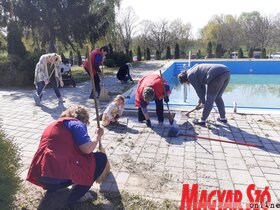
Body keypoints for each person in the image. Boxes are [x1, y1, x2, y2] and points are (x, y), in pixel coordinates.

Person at [26, 106, 108, 205]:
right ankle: (75, 197)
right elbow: (87, 149)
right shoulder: (76, 124)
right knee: (100, 158)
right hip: (57, 175)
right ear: (84, 119)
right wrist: (97, 135)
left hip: (41, 174)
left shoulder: (54, 125)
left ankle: (54, 190)